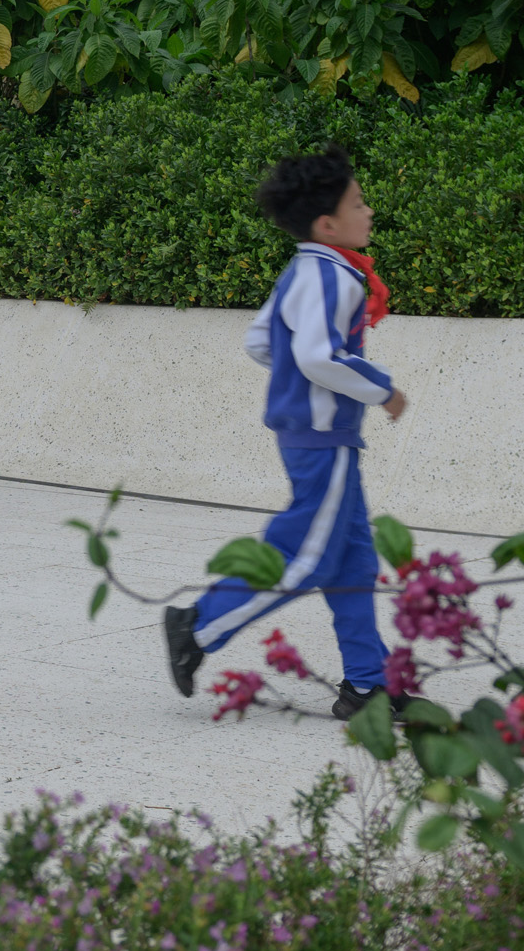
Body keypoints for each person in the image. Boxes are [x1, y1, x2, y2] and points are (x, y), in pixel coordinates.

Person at [163, 146, 406, 720]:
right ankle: (197, 627)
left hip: (309, 435)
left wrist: (299, 385)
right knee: (304, 560)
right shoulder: (336, 279)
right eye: (358, 202)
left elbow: (259, 342)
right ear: (329, 224)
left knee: (352, 562)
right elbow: (321, 357)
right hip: (326, 439)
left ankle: (367, 686)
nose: (369, 210)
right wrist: (382, 389)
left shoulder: (302, 269)